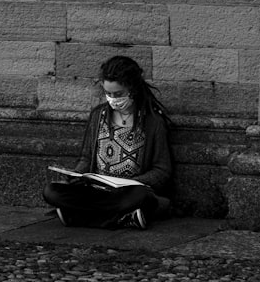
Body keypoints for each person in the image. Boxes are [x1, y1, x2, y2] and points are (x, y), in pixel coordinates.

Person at [43, 55, 173, 230]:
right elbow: (87, 158)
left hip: (127, 191)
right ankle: (120, 218)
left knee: (140, 196)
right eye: (108, 94)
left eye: (118, 94)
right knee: (51, 192)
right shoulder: (98, 115)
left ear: (132, 89)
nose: (113, 99)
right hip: (97, 190)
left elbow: (162, 171)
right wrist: (75, 175)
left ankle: (79, 216)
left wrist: (133, 182)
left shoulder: (152, 122)